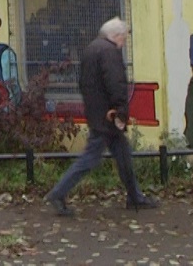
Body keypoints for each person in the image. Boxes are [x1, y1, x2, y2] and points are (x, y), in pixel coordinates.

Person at [45, 17, 158, 216]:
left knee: (123, 155)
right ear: (116, 36)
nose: (123, 43)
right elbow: (116, 83)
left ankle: (135, 196)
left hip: (97, 113)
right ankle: (58, 193)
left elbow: (84, 83)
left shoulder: (91, 49)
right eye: (123, 38)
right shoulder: (109, 52)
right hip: (108, 117)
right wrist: (120, 110)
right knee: (90, 158)